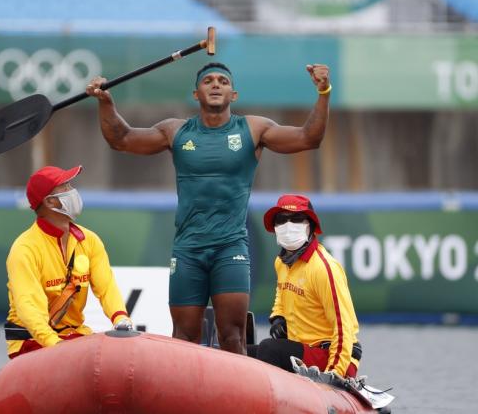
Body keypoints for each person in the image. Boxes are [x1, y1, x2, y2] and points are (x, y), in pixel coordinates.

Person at [85, 62, 331, 355]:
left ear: (233, 95)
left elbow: (309, 138)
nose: (216, 84)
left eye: (223, 81)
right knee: (184, 336)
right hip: (188, 250)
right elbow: (122, 139)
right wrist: (106, 102)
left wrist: (323, 91)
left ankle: (238, 398)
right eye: (208, 81)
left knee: (232, 336)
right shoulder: (175, 131)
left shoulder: (253, 129)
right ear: (196, 93)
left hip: (230, 248)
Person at [3, 165, 133, 359]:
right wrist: (55, 345)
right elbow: (29, 307)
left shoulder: (90, 240)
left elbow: (106, 288)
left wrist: (121, 318)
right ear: (51, 202)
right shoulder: (24, 249)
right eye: (65, 187)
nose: (73, 191)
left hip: (74, 335)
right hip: (31, 342)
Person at [253, 194, 361, 378]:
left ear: (310, 225)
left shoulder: (323, 268)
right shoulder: (281, 262)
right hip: (301, 350)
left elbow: (344, 328)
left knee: (268, 349)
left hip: (332, 356)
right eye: (281, 219)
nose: (288, 225)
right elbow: (281, 294)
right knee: (240, 351)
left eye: (296, 219)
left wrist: (333, 373)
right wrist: (278, 317)